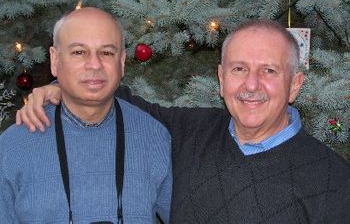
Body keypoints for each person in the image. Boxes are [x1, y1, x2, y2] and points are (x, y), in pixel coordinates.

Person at [16, 19, 350, 223]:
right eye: (239, 69)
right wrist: (57, 88)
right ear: (221, 79)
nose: (251, 85)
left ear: (295, 84)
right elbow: (118, 99)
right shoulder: (189, 131)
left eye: (269, 71)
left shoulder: (333, 179)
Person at [0, 7, 172, 223]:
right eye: (79, 52)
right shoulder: (13, 147)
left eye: (107, 53)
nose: (94, 64)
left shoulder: (154, 137)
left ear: (121, 62)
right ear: (55, 60)